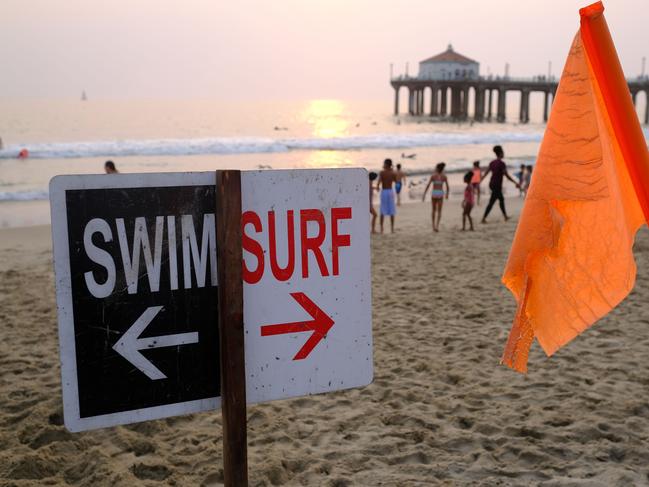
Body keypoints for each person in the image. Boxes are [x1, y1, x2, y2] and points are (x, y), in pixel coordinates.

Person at [480, 145, 519, 223]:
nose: (504, 153)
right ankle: (483, 218)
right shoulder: (501, 163)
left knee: (501, 199)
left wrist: (479, 181)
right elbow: (507, 175)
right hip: (496, 185)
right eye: (503, 152)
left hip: (491, 184)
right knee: (492, 201)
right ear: (500, 153)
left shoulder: (492, 163)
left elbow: (486, 173)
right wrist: (515, 182)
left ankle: (505, 216)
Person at [422, 162, 449, 232]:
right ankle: (437, 226)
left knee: (433, 210)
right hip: (440, 193)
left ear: (437, 168)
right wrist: (447, 194)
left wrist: (424, 194)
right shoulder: (444, 176)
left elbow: (428, 185)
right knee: (439, 211)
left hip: (434, 193)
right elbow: (447, 187)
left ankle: (433, 226)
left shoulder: (433, 176)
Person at [377, 159, 397, 233]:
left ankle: (382, 228)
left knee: (383, 209)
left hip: (384, 191)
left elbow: (379, 182)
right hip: (390, 191)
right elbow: (396, 181)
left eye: (384, 163)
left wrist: (377, 187)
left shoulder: (382, 172)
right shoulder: (392, 173)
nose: (383, 164)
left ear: (386, 164)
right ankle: (392, 228)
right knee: (392, 210)